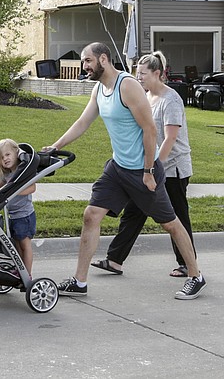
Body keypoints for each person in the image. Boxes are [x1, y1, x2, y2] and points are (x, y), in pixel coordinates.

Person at [43, 42, 205, 300]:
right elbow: (83, 121)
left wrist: (149, 170)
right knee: (91, 214)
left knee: (170, 223)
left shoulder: (127, 86)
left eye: (87, 61)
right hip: (118, 167)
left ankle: (196, 275)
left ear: (103, 59)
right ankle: (80, 281)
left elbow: (150, 130)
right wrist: (55, 145)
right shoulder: (100, 88)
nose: (84, 66)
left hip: (142, 170)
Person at [91, 51, 195, 278]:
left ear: (158, 74)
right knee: (133, 213)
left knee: (176, 217)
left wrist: (154, 168)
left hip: (172, 169)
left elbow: (169, 138)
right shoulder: (146, 97)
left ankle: (188, 265)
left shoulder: (171, 100)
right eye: (137, 73)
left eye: (143, 74)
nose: (138, 78)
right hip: (146, 167)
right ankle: (115, 260)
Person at [0, 138, 36, 277]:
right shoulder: (8, 174)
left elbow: (32, 188)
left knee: (25, 245)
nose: (5, 159)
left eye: (8, 155)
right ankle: (20, 271)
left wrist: (13, 191)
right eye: (2, 157)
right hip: (13, 215)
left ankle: (27, 274)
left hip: (24, 215)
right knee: (17, 246)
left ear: (17, 153)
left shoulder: (23, 173)